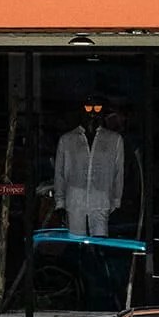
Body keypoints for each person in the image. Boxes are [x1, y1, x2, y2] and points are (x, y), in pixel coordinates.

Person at [53, 95, 124, 238]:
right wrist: (60, 202)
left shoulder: (114, 140)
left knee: (98, 244)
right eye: (88, 107)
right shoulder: (67, 140)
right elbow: (60, 173)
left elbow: (118, 172)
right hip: (75, 201)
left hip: (101, 201)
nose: (92, 112)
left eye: (97, 108)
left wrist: (116, 201)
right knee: (77, 244)